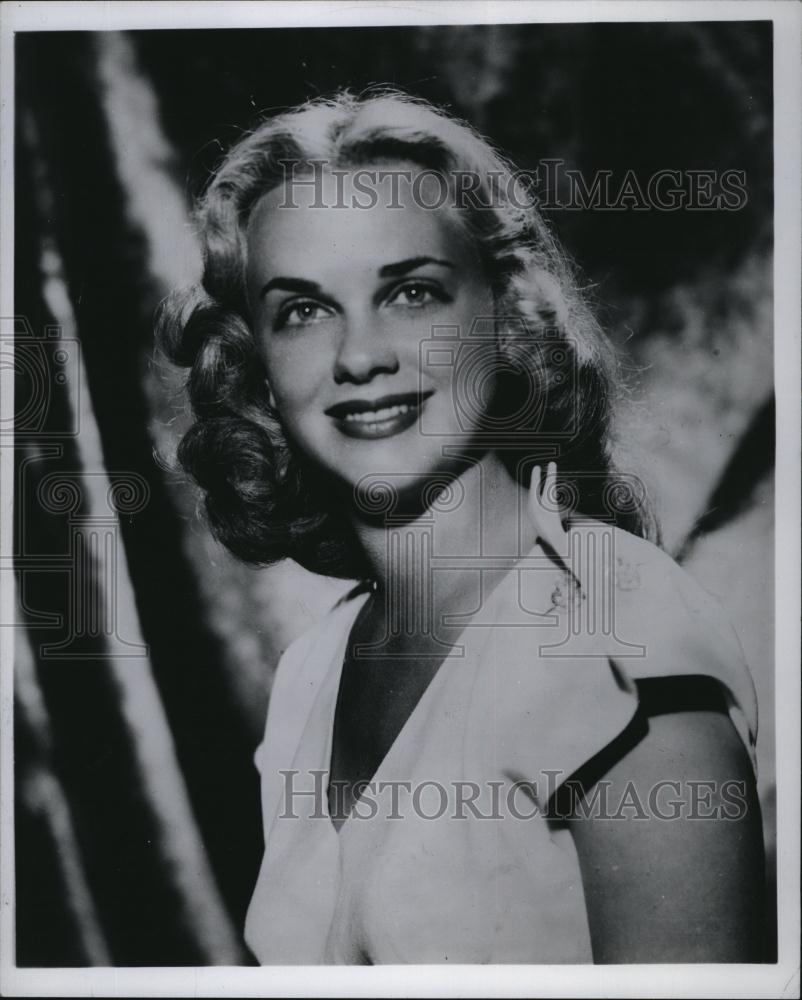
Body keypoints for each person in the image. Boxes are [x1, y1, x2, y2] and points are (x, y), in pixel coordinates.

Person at [157, 89, 765, 964]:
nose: (361, 356)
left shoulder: (615, 633)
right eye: (303, 310)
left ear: (505, 313)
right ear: (259, 368)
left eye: (410, 293)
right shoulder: (309, 676)